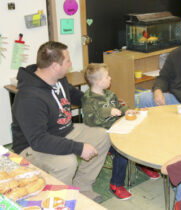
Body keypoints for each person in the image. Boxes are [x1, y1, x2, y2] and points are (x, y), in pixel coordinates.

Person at [11, 41, 110, 203]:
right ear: (55, 66)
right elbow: (38, 140)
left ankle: (82, 188)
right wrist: (78, 148)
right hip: (31, 146)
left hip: (63, 131)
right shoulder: (29, 97)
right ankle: (60, 201)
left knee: (102, 136)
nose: (71, 65)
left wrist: (102, 103)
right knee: (66, 162)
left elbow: (73, 94)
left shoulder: (58, 78)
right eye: (68, 61)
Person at [81, 63, 158, 199]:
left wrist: (126, 110)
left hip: (117, 129)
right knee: (122, 150)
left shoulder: (110, 94)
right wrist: (108, 111)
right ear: (98, 82)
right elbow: (90, 119)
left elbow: (119, 107)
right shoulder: (88, 98)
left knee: (139, 135)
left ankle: (142, 163)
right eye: (107, 76)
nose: (110, 78)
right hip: (100, 136)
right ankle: (116, 184)